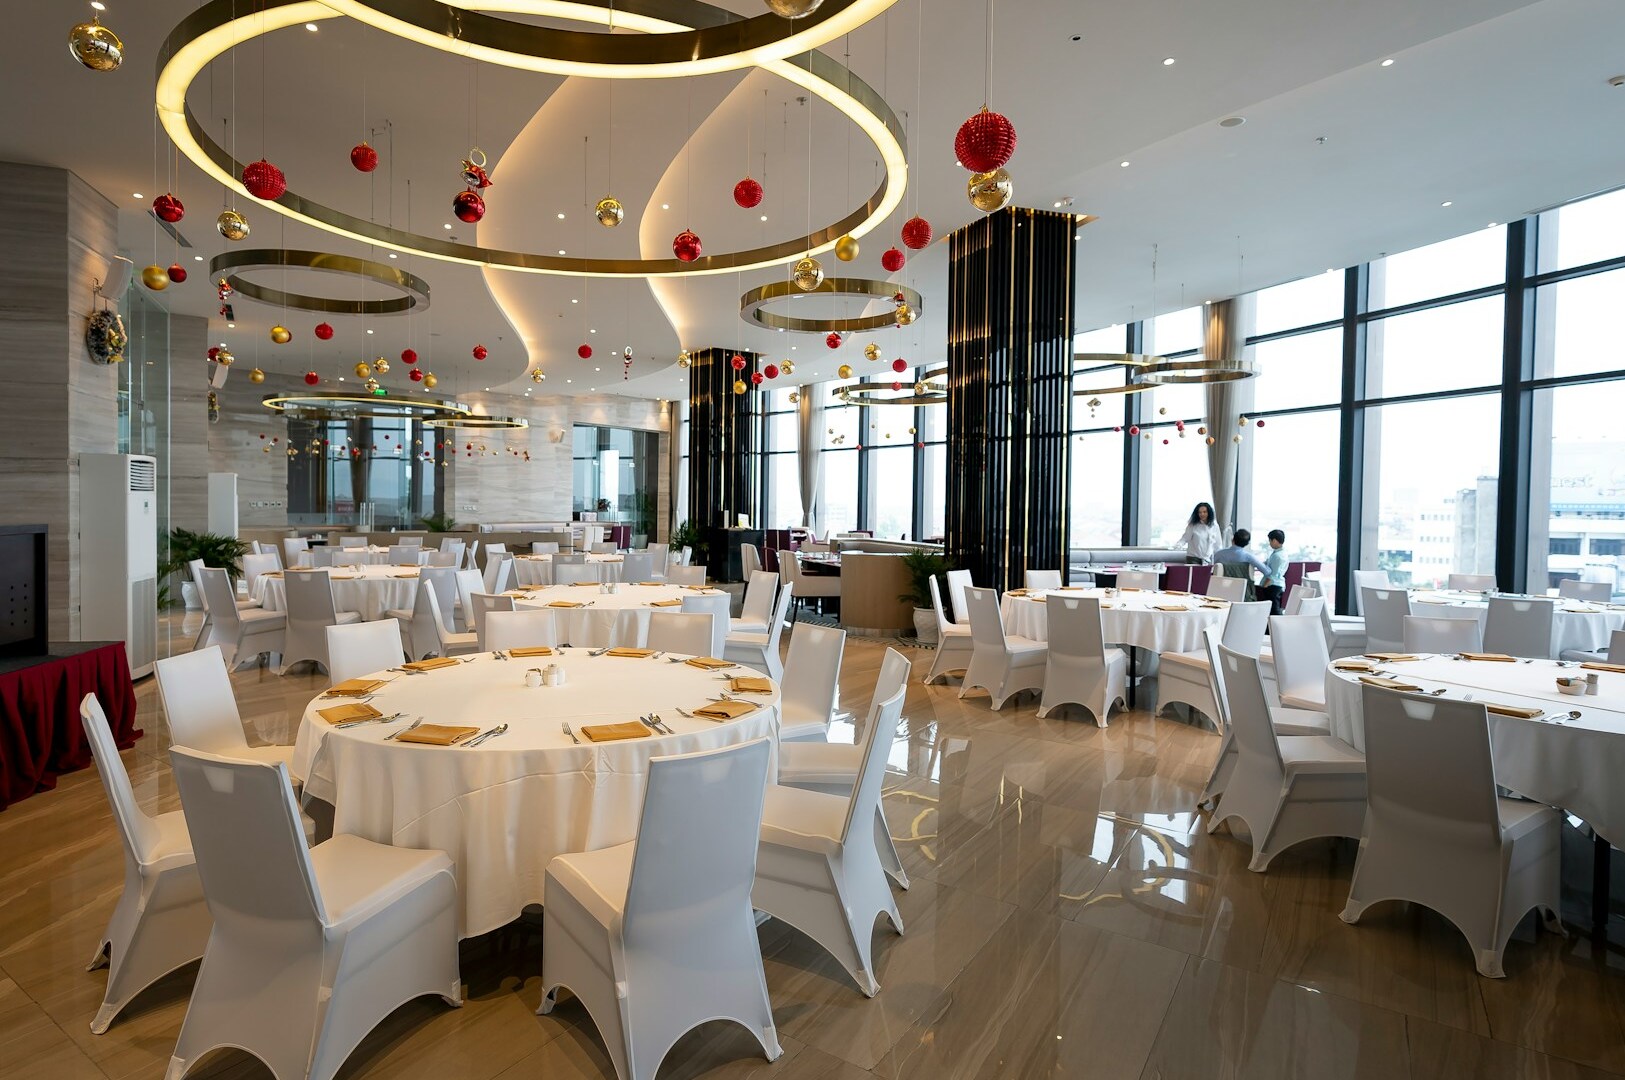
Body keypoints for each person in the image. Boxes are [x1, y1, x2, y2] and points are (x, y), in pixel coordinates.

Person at [1255, 529, 1288, 614]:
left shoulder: (1278, 556)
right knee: (1273, 610)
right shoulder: (1280, 553)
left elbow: (1272, 575)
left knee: (1273, 612)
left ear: (1274, 540)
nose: (1269, 543)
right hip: (1276, 585)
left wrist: (1264, 587)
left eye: (1270, 541)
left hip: (1273, 587)